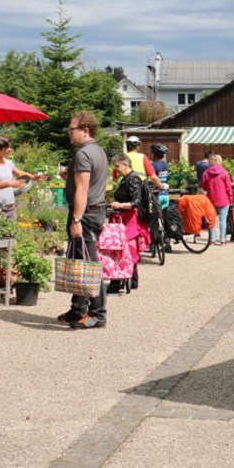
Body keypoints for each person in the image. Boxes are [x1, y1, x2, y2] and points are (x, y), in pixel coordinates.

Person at [61, 110, 109, 329]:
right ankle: (77, 309)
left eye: (72, 129)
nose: (69, 133)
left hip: (86, 214)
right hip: (95, 211)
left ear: (85, 131)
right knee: (79, 262)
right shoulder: (98, 151)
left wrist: (77, 220)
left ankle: (97, 314)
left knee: (89, 264)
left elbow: (82, 188)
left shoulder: (83, 153)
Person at [108, 153, 149, 293]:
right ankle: (130, 280)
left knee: (121, 248)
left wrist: (121, 205)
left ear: (125, 165)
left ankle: (120, 281)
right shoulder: (126, 179)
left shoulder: (132, 179)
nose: (116, 170)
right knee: (126, 249)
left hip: (130, 219)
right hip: (125, 218)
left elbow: (136, 201)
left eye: (117, 166)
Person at [0, 135, 44, 219]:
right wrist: (10, 184)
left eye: (10, 147)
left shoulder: (9, 163)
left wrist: (34, 177)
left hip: (10, 206)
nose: (10, 149)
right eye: (7, 147)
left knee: (12, 231)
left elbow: (20, 173)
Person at [200, 153, 233, 246]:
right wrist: (231, 198)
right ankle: (222, 240)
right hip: (224, 200)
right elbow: (228, 188)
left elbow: (204, 187)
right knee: (223, 221)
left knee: (212, 220)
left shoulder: (206, 173)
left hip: (211, 200)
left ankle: (212, 240)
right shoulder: (224, 173)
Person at [150, 143, 171, 209]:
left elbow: (151, 178)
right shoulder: (165, 165)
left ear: (155, 154)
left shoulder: (153, 165)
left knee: (155, 217)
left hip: (157, 195)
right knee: (164, 217)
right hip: (166, 195)